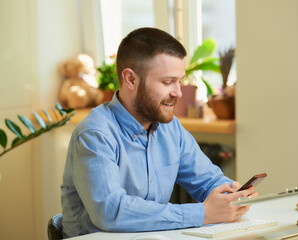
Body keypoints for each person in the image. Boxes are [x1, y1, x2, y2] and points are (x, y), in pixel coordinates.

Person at [61, 27, 258, 238]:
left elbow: (208, 180)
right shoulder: (95, 134)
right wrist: (202, 213)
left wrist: (230, 193)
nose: (178, 92)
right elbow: (111, 212)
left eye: (179, 81)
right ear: (131, 79)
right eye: (167, 82)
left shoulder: (170, 128)